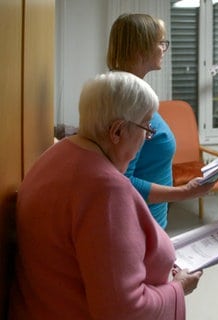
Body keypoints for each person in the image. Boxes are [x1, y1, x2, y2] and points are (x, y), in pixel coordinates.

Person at [9, 72, 203, 320]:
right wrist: (179, 289)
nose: (147, 137)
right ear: (117, 131)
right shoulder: (106, 190)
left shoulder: (54, 156)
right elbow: (124, 311)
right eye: (146, 128)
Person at [107, 13, 215, 228]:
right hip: (139, 224)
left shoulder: (131, 90)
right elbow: (122, 181)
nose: (164, 49)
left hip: (149, 220)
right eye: (161, 42)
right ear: (141, 49)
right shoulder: (128, 100)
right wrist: (183, 192)